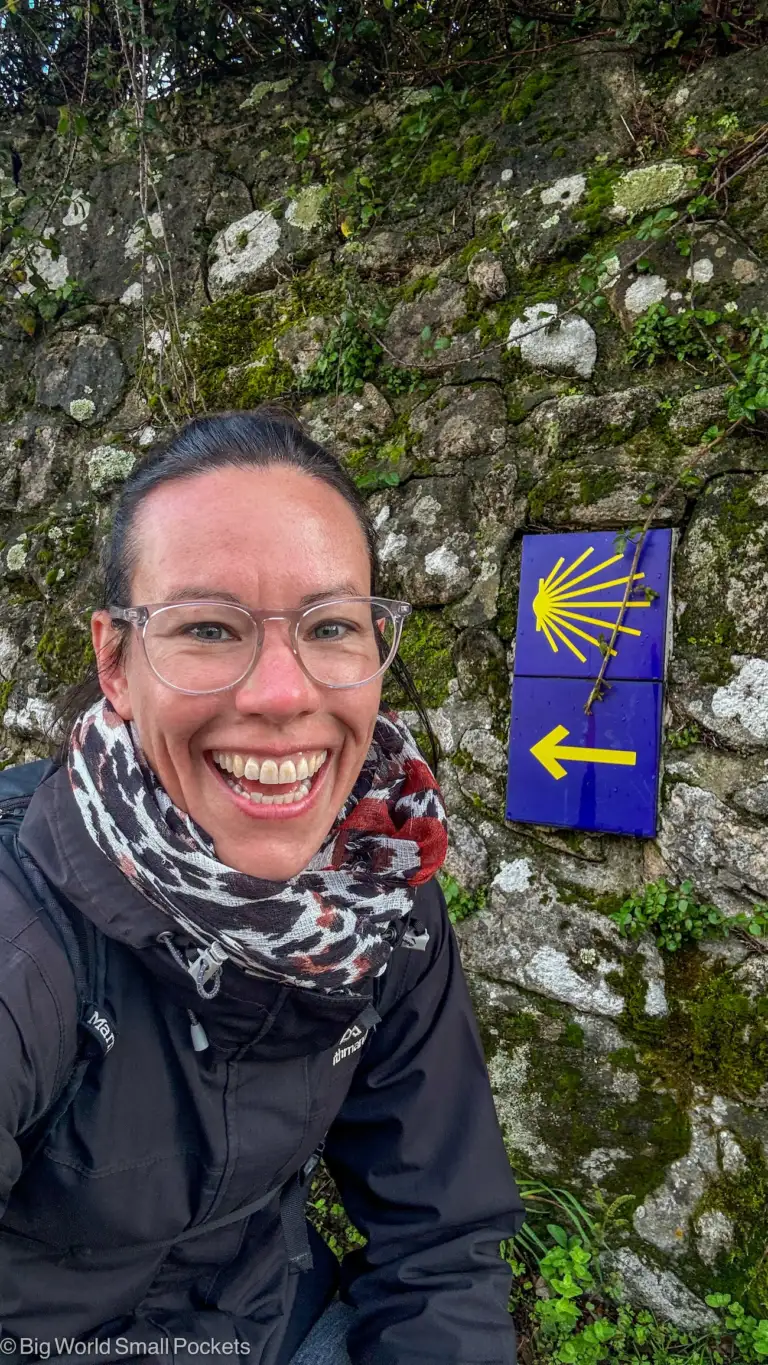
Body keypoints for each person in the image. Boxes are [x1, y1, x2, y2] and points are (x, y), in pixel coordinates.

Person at [0, 408, 524, 1364]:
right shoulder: (26, 932)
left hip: (273, 1323)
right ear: (116, 662)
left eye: (330, 626)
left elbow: (442, 1238)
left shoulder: (378, 890)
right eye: (208, 627)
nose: (283, 694)